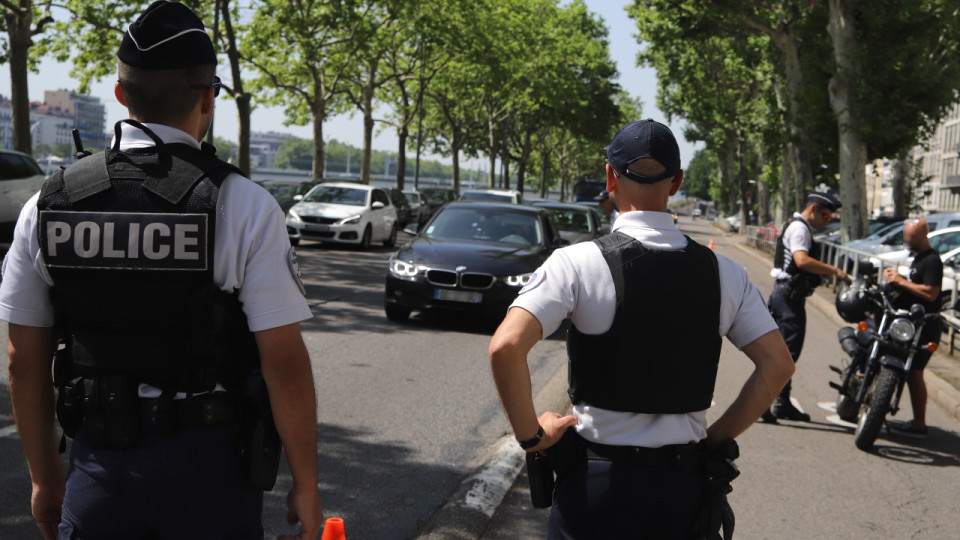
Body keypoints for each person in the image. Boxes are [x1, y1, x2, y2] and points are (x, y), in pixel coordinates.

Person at [0, 2, 323, 538]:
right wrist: (307, 484)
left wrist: (44, 478)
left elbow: (23, 363)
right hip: (207, 473)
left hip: (96, 467)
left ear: (121, 94)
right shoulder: (243, 204)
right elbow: (283, 363)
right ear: (209, 98)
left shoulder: (50, 202)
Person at [489, 118, 796, 539]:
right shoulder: (727, 273)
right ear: (677, 183)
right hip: (681, 491)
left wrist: (532, 437)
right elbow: (777, 366)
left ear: (610, 177)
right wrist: (712, 440)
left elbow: (506, 347)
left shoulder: (575, 263)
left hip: (596, 485)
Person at [762, 191, 851, 423]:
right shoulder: (800, 229)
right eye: (826, 216)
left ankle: (781, 403)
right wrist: (835, 271)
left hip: (786, 295)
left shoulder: (797, 226)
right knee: (786, 356)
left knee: (783, 354)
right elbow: (801, 260)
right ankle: (762, 402)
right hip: (788, 298)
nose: (826, 221)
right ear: (813, 210)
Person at [882, 218, 942, 438]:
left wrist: (900, 281)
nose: (907, 239)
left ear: (923, 235)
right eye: (906, 235)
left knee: (915, 373)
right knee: (910, 373)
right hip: (911, 324)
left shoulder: (932, 261)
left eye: (912, 236)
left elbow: (931, 293)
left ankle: (919, 424)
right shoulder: (917, 258)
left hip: (926, 327)